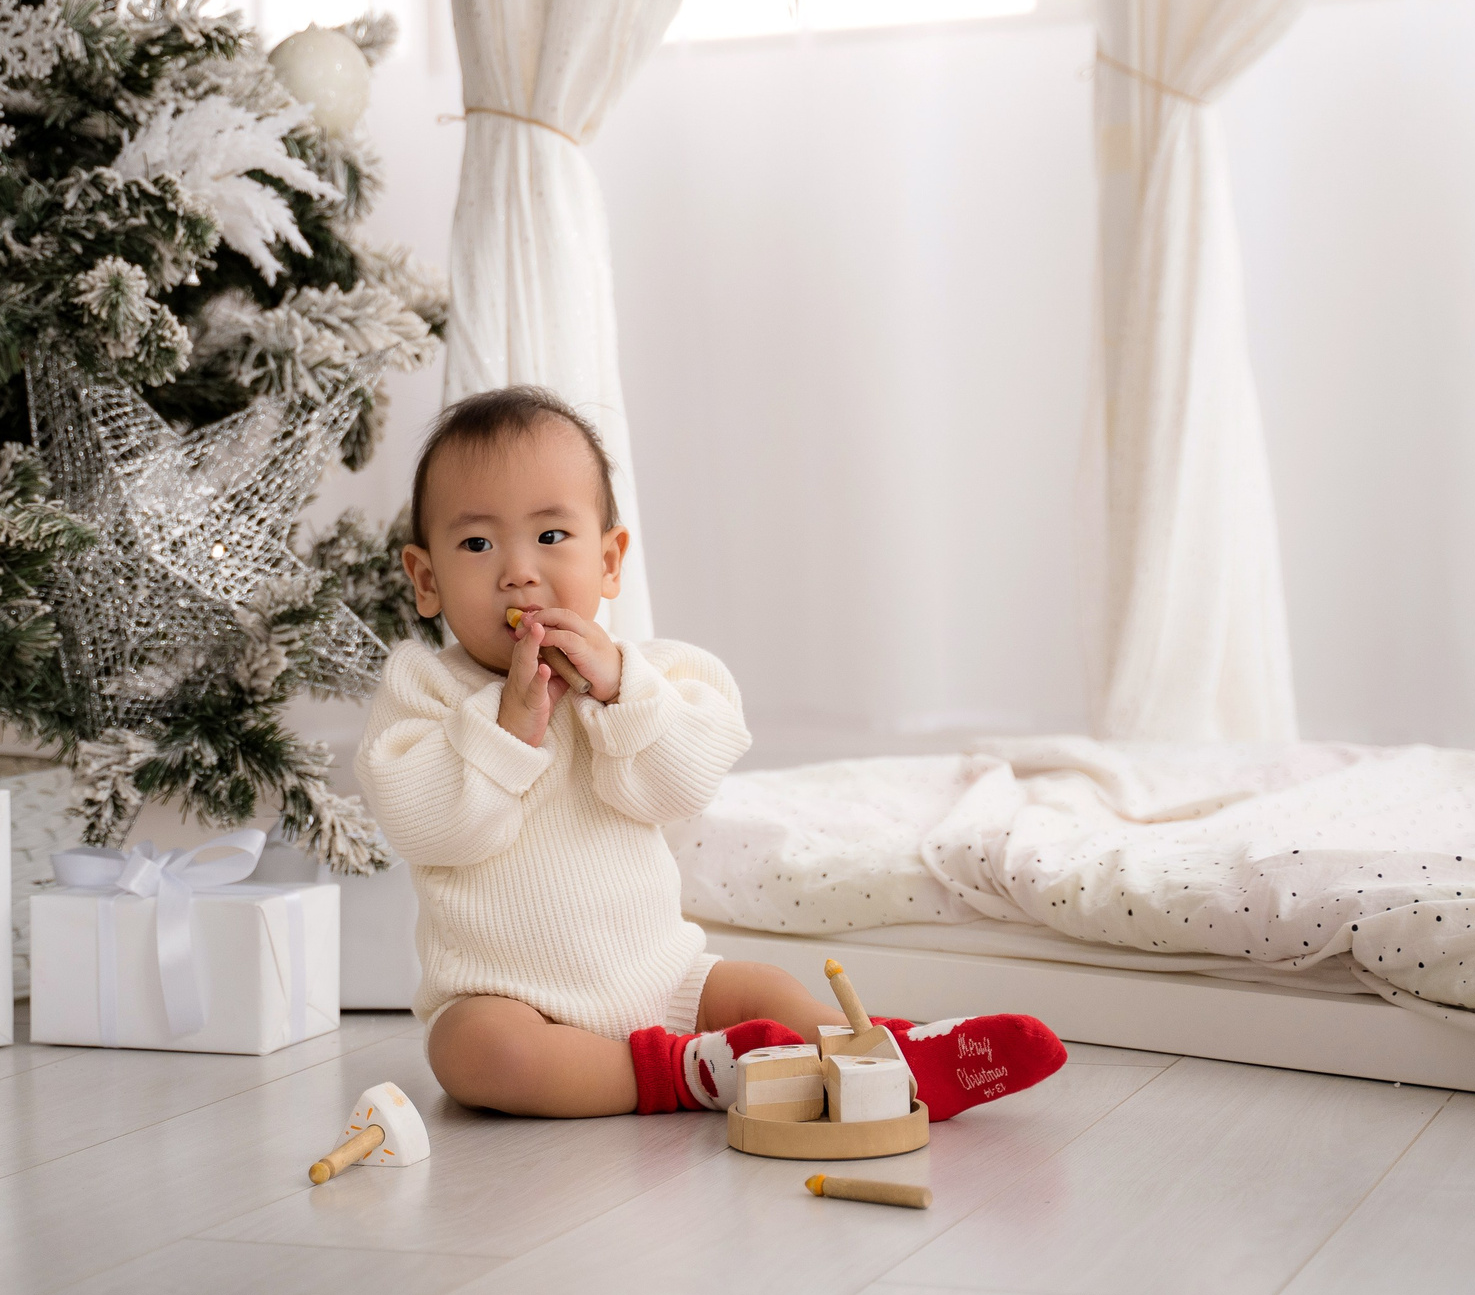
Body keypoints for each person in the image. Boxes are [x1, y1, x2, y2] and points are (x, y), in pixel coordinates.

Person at [357, 386, 1066, 1118]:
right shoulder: (426, 693)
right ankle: (690, 1073)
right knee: (474, 1054)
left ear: (610, 560)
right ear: (427, 580)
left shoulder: (649, 678)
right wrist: (505, 731)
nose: (518, 571)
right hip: (511, 1002)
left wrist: (621, 692)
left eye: (552, 535)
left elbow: (682, 786)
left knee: (764, 991)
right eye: (477, 544)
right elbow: (428, 828)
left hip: (667, 984)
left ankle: (879, 1052)